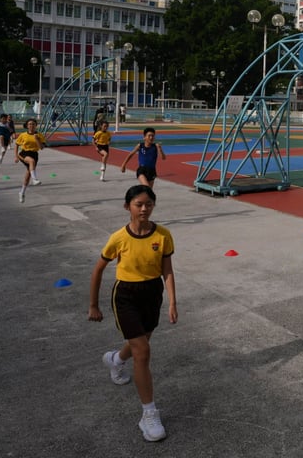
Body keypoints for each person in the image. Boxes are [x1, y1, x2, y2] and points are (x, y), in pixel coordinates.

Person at [87, 184, 177, 443]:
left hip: (152, 293)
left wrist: (172, 302)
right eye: (138, 204)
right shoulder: (119, 238)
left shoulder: (163, 235)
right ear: (128, 207)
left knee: (141, 343)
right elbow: (98, 269)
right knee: (143, 352)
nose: (144, 209)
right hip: (126, 296)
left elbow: (167, 270)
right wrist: (93, 305)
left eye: (149, 204)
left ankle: (115, 359)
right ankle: (149, 414)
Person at [14, 118, 46, 203]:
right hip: (24, 153)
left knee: (27, 176)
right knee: (31, 161)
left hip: (34, 154)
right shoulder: (23, 135)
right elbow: (16, 145)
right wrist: (16, 156)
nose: (31, 125)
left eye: (33, 124)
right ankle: (35, 179)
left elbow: (41, 148)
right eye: (30, 124)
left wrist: (37, 139)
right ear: (27, 126)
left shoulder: (39, 135)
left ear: (36, 125)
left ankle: (22, 192)